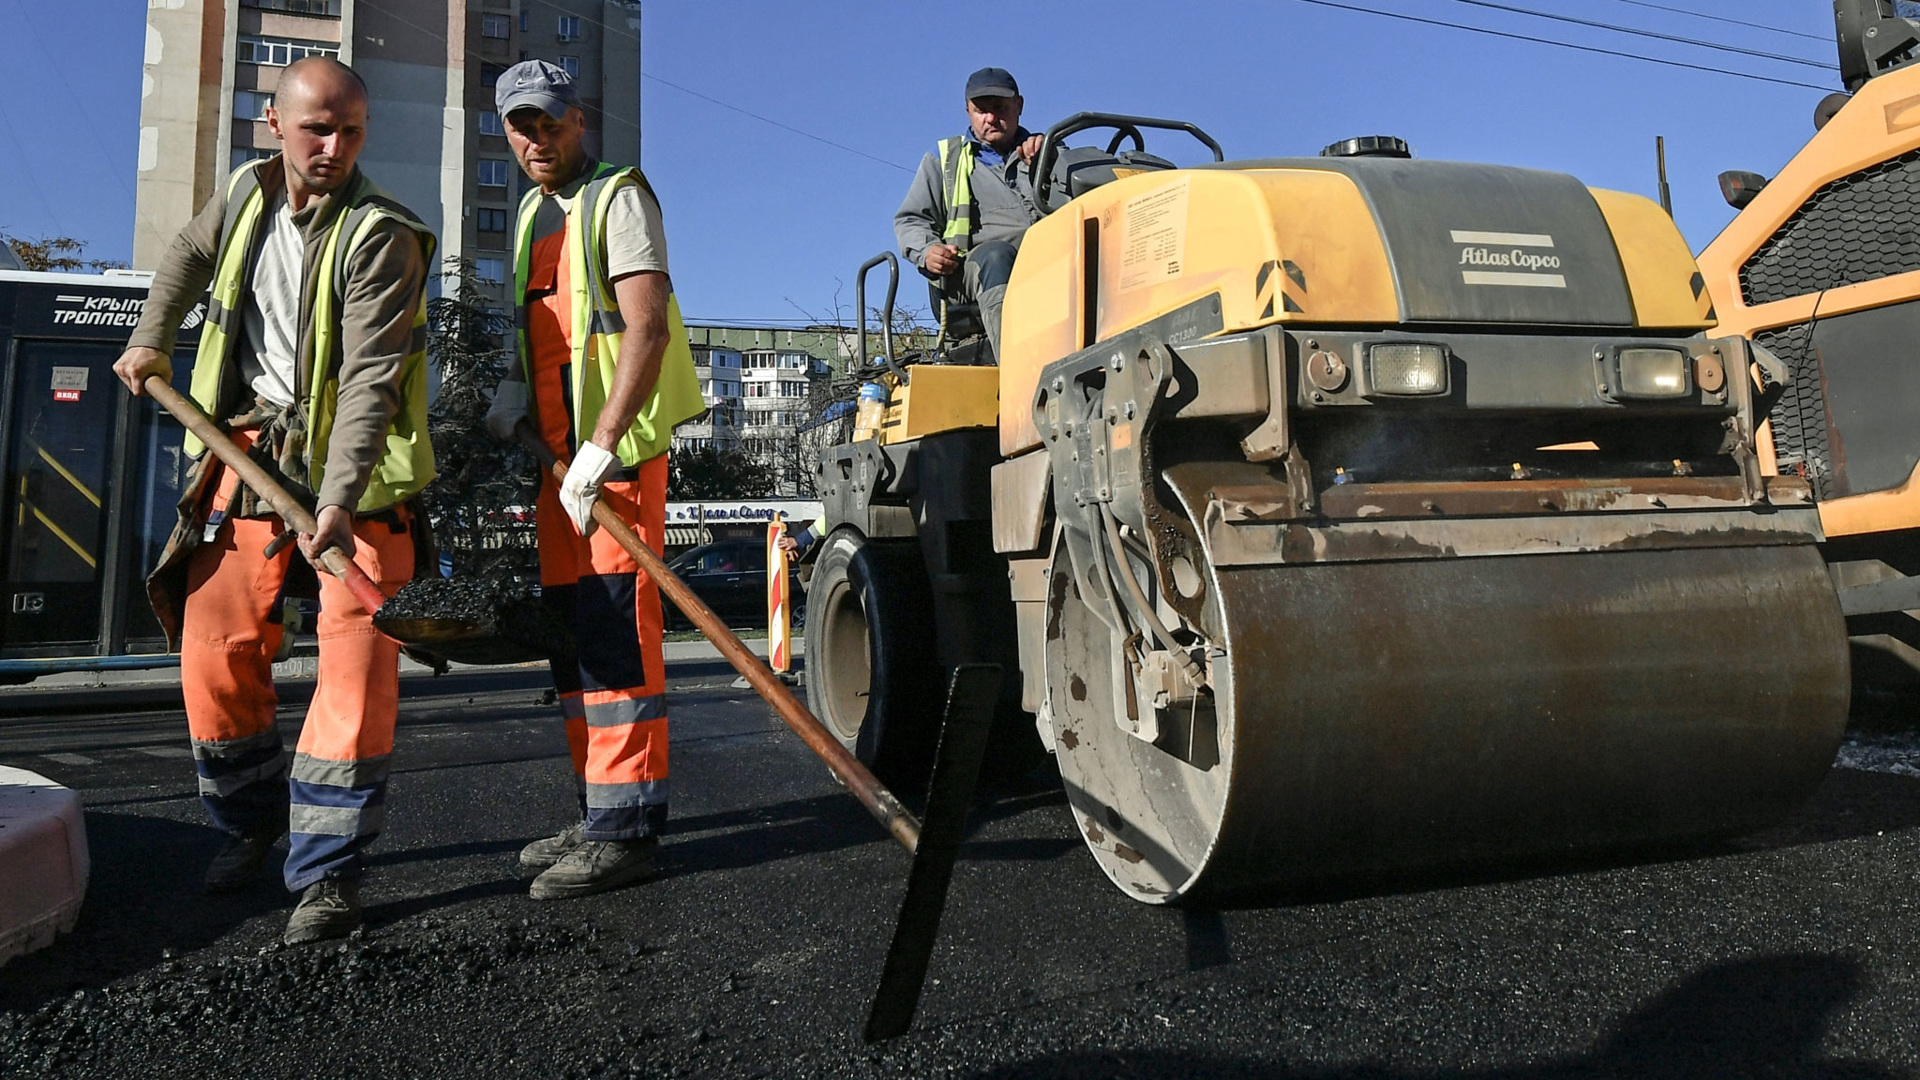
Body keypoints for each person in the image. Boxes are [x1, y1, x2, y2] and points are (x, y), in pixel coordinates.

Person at [112, 57, 436, 944]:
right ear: (274, 122)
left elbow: (371, 380)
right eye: (316, 128)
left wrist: (336, 502)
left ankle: (330, 873)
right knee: (214, 651)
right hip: (248, 454)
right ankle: (250, 822)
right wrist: (149, 341)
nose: (333, 148)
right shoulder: (244, 195)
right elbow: (183, 253)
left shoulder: (384, 235)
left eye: (352, 133)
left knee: (355, 669)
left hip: (357, 478)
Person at [481, 59, 705, 900]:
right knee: (573, 636)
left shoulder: (619, 198)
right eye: (519, 125)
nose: (535, 139)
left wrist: (603, 445)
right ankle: (597, 808)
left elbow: (643, 329)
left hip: (612, 461)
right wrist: (511, 391)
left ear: (580, 120)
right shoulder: (534, 215)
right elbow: (530, 328)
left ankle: (627, 832)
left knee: (616, 636)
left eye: (547, 121)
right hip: (557, 464)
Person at [894, 67, 1047, 361]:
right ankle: (1019, 370)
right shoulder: (946, 160)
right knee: (996, 256)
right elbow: (910, 220)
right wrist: (928, 251)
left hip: (1046, 265)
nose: (990, 118)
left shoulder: (1046, 152)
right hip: (968, 276)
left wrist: (1050, 156)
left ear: (1019, 106)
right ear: (968, 112)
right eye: (981, 110)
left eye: (999, 108)